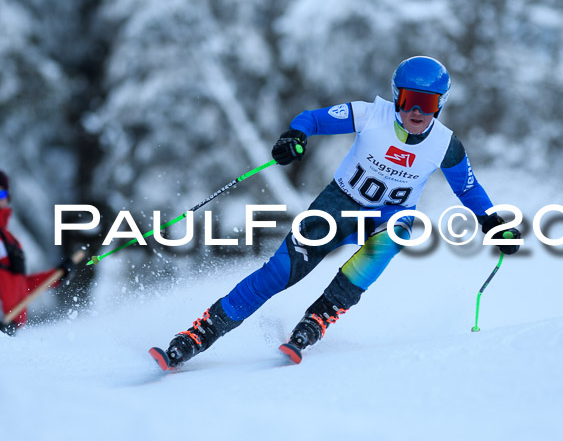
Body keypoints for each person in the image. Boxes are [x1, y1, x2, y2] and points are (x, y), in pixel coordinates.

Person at [151, 56, 521, 367]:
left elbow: (467, 188)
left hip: (388, 217)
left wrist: (492, 222)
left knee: (395, 236)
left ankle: (319, 317)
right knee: (279, 273)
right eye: (409, 100)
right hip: (339, 204)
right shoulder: (369, 115)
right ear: (396, 96)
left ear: (440, 103)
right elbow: (310, 119)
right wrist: (294, 137)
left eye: (427, 103)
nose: (416, 111)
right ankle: (201, 331)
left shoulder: (446, 145)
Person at [0, 171, 74, 336]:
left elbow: (19, 285)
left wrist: (55, 276)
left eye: (1, 193)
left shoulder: (10, 240)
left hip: (11, 333)